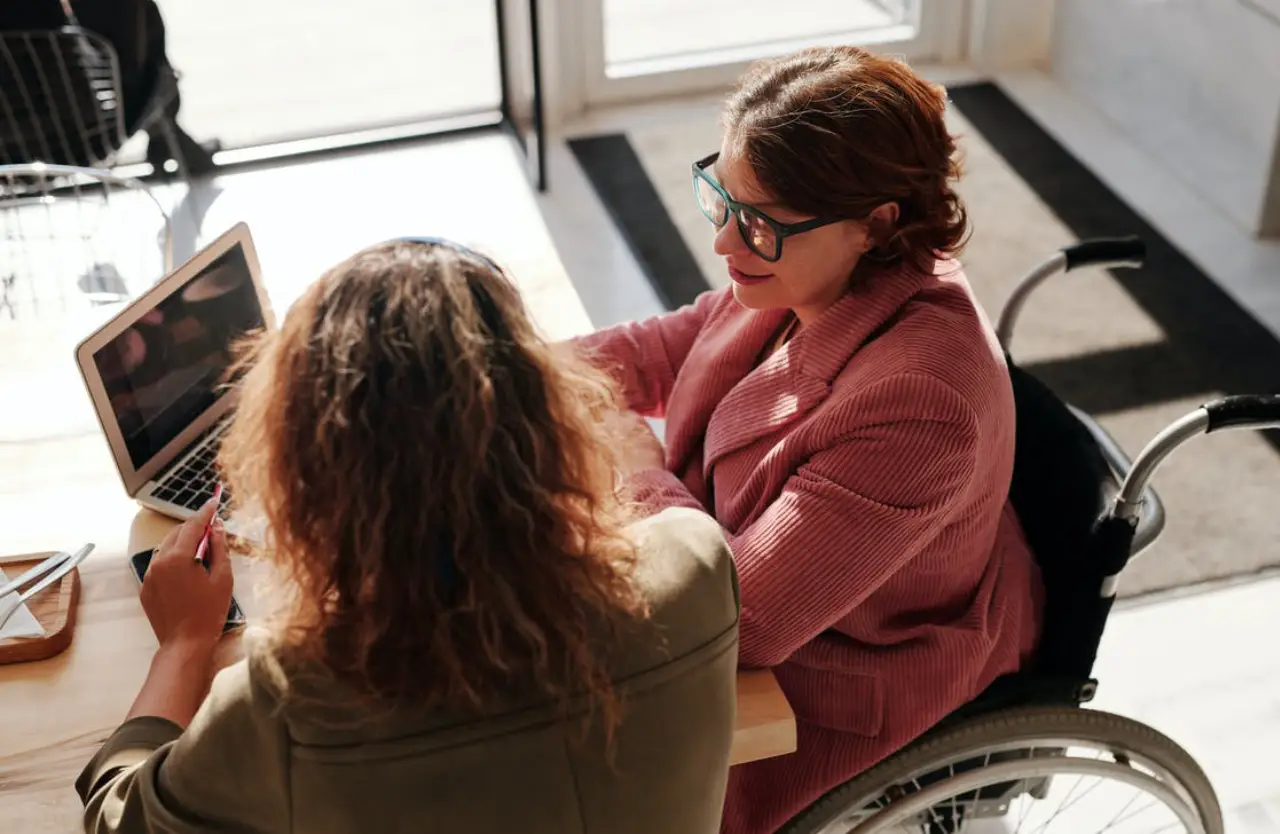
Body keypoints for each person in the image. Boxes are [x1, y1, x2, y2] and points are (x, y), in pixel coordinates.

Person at [75, 238, 742, 833]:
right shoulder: (697, 564)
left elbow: (118, 822)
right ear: (550, 415)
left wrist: (184, 646)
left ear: (308, 474)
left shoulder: (292, 702)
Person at [571, 46, 1045, 833]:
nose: (725, 242)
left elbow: (744, 619)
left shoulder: (919, 402)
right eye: (718, 197)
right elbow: (666, 348)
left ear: (877, 223)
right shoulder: (800, 266)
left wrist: (635, 466)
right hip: (771, 583)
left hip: (835, 681)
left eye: (755, 221)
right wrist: (492, 370)